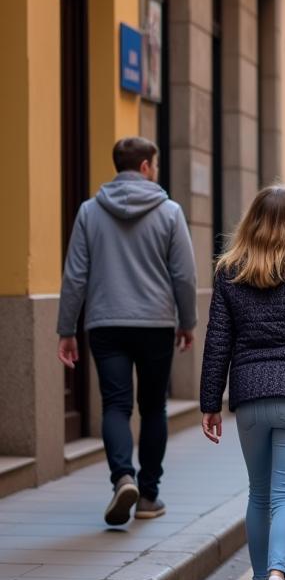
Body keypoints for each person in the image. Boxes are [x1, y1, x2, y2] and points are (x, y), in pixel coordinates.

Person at [57, 137, 197, 527]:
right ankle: (149, 495)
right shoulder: (169, 212)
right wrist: (187, 321)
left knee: (116, 405)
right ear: (146, 167)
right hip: (155, 323)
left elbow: (75, 275)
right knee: (153, 407)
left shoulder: (89, 211)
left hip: (105, 322)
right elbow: (184, 275)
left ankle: (122, 476)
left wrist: (66, 328)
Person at [199, 186, 285, 580]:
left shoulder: (229, 272)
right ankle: (277, 578)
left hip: (248, 395)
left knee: (258, 492)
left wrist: (210, 402)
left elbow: (217, 343)